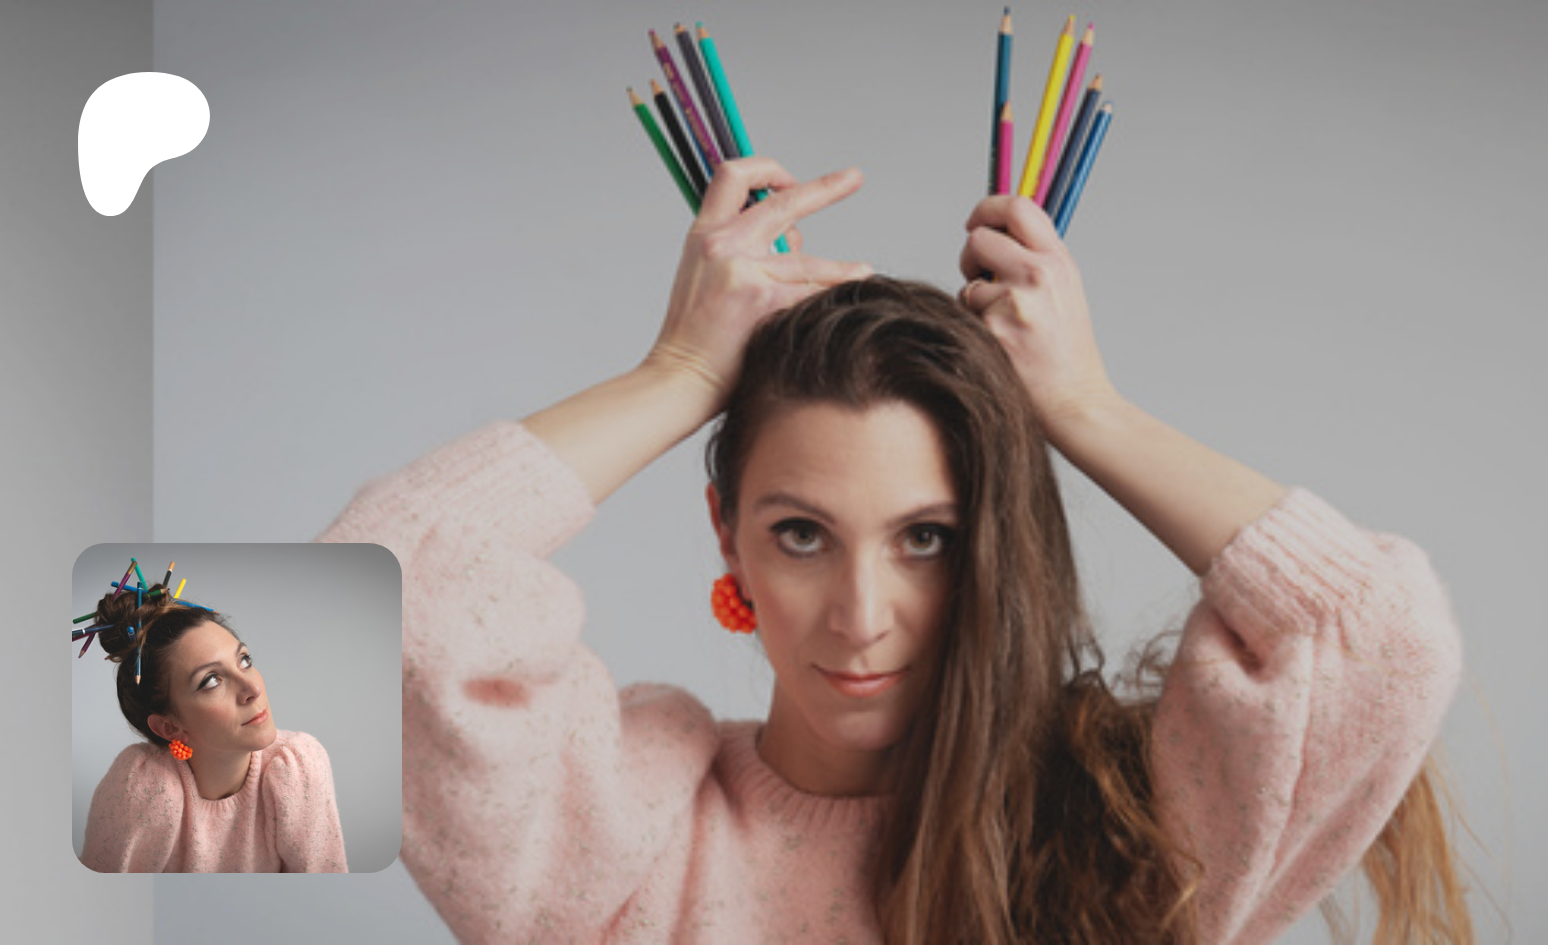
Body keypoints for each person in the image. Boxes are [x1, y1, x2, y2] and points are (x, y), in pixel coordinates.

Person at [317, 158, 1468, 942]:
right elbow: (362, 597)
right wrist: (679, 374)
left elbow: (1381, 640)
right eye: (801, 535)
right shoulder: (618, 841)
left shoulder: (1121, 834)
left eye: (927, 539)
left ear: (994, 547)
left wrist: (1086, 410)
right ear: (728, 538)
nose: (861, 615)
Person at [77, 577, 348, 873]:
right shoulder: (145, 788)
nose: (253, 689)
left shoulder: (296, 766)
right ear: (169, 727)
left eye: (244, 660)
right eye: (211, 681)